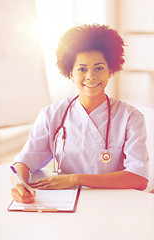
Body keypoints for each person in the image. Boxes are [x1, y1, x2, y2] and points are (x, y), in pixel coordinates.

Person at [10, 24, 149, 203]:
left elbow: (139, 179)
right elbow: (24, 161)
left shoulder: (130, 118)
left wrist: (75, 179)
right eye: (82, 69)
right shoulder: (52, 115)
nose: (90, 76)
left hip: (115, 203)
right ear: (70, 73)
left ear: (110, 71)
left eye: (99, 68)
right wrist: (18, 184)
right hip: (65, 202)